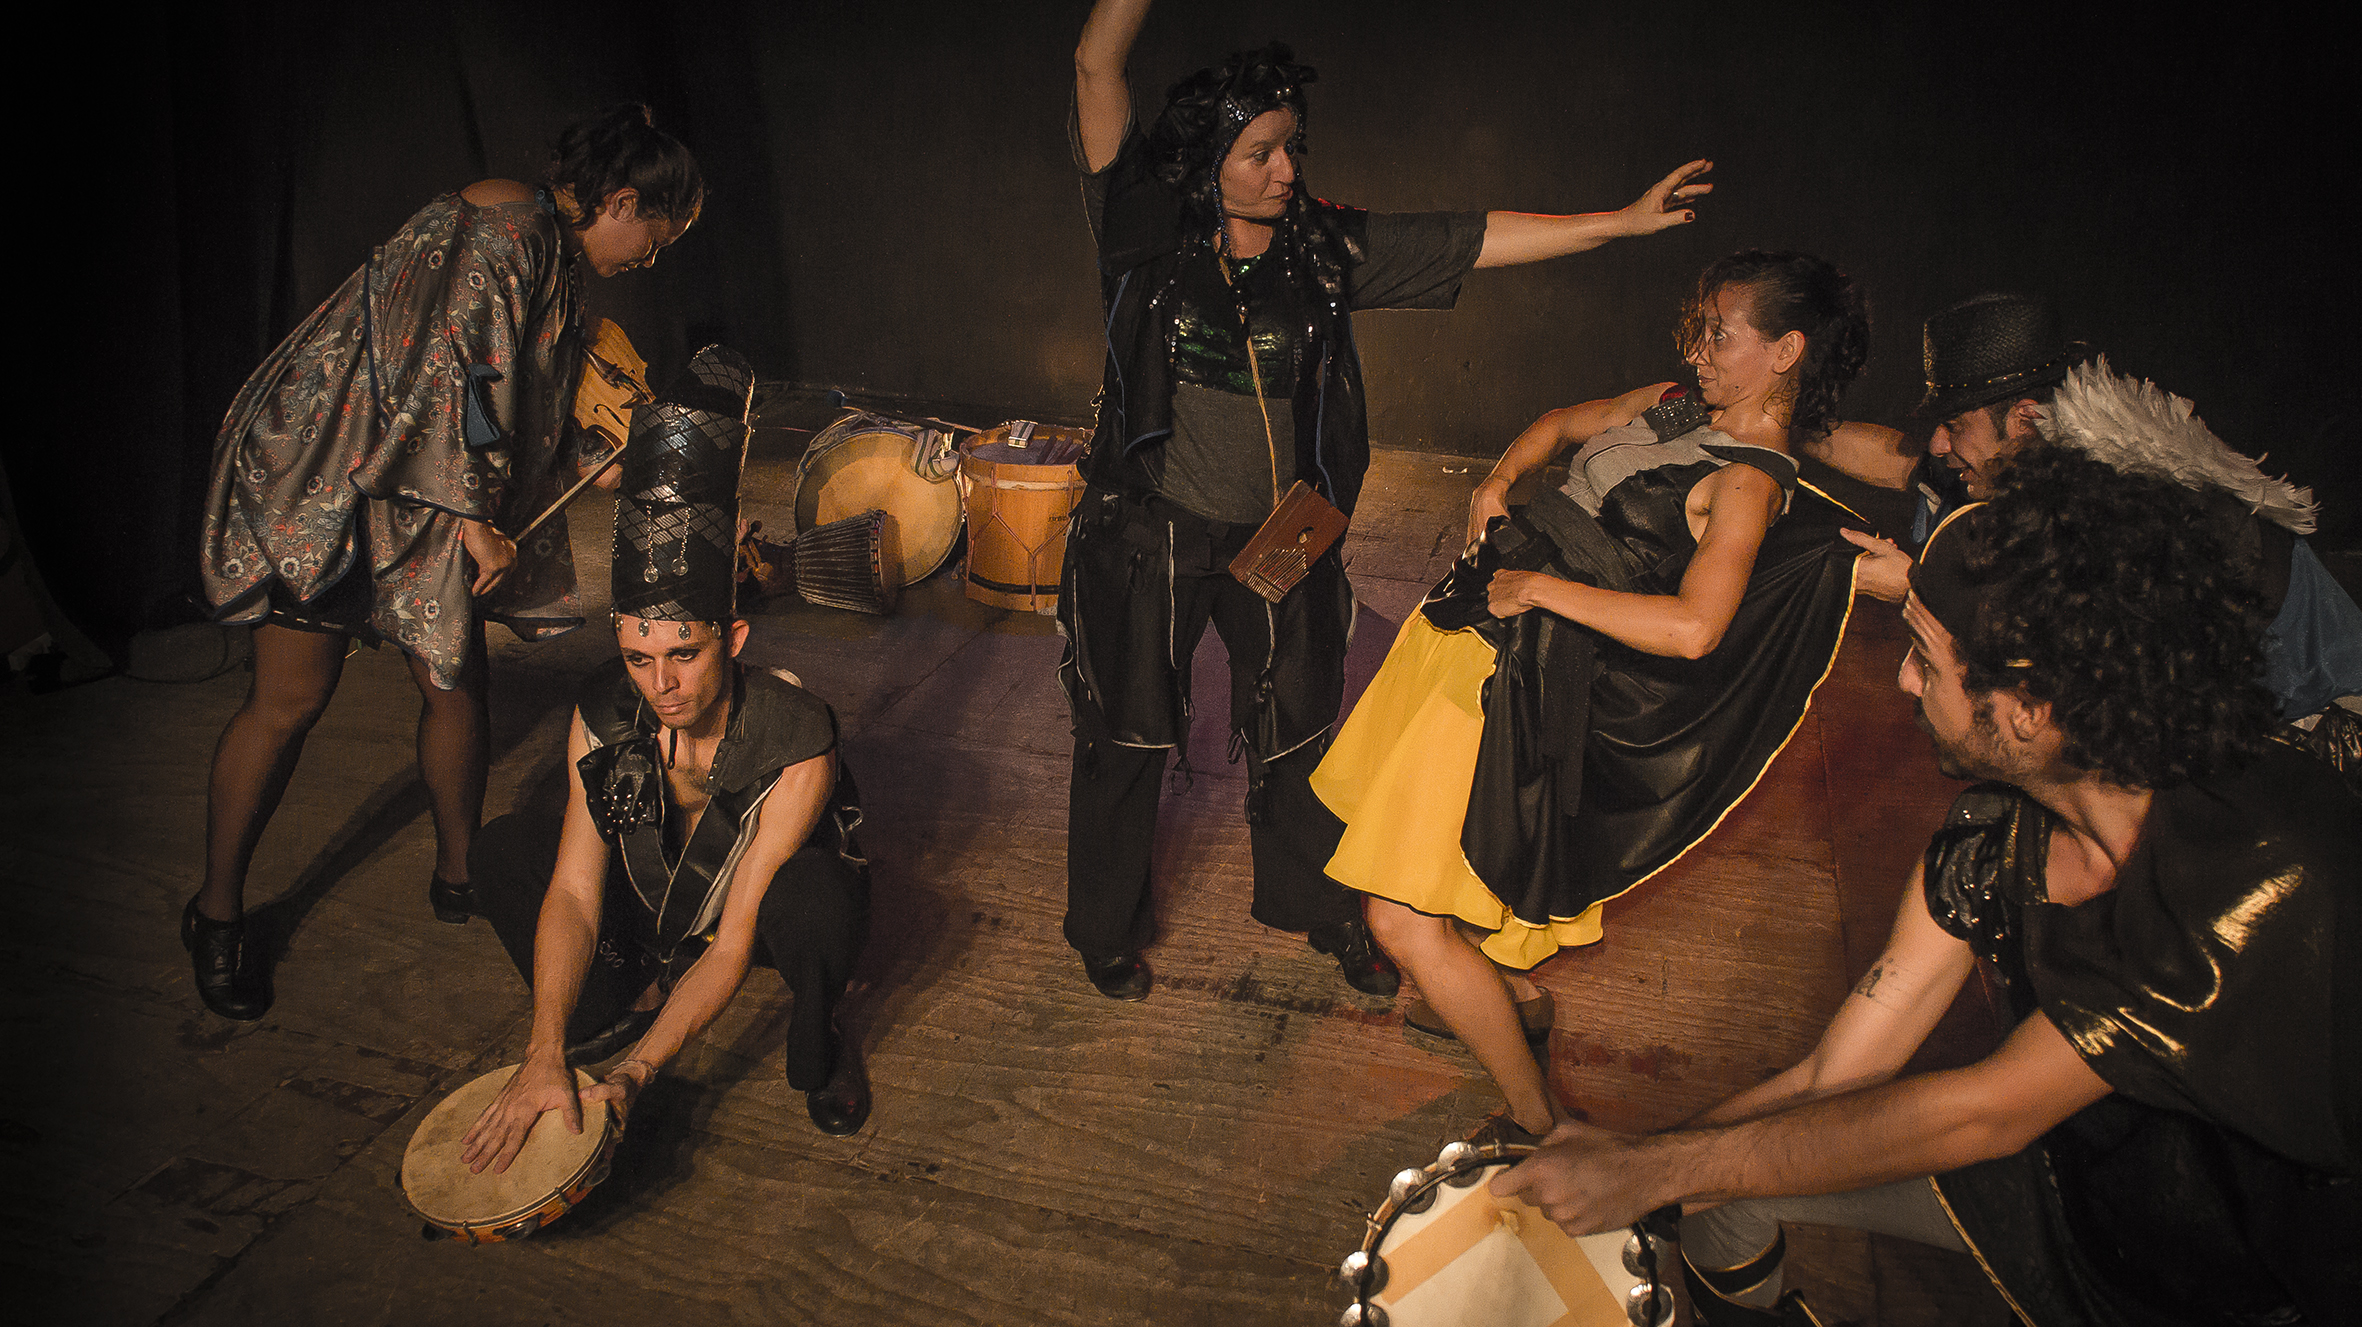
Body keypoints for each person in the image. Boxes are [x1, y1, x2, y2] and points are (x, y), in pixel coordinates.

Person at [1494, 450, 2359, 1326]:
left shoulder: (2261, 866)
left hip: (2240, 1280)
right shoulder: (1992, 837)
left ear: (2027, 707)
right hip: (2067, 1184)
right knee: (1721, 1201)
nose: (1904, 678)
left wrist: (1651, 1170)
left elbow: (1988, 1113)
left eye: (1925, 659)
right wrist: (1644, 1160)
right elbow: (1837, 1072)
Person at [1061, 0, 1716, 1002]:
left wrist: (1617, 222)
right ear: (1207, 162)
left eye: (1293, 148)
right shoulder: (1141, 226)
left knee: (1298, 729)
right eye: (1262, 153)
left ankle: (1323, 907)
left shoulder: (1319, 249)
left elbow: (1471, 239)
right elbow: (1095, 63)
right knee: (1128, 731)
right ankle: (1106, 928)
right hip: (1155, 529)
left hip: (1281, 531)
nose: (1287, 169)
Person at [1313, 251, 1871, 1139]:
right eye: (1700, 329)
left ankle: (1545, 1125)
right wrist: (1496, 482)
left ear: (1786, 350)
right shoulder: (1676, 402)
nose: (1697, 351)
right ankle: (1512, 999)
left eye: (1719, 335)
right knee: (1435, 860)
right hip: (1468, 633)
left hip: (1518, 681)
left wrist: (1540, 589)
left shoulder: (1749, 482)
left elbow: (1694, 628)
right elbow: (1558, 424)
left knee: (1403, 916)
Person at [186, 104, 702, 1020]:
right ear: (622, 201)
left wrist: (589, 455)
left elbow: (517, 396)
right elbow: (445, 371)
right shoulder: (505, 230)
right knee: (291, 698)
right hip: (330, 474)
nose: (648, 261)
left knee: (456, 678)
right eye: (652, 241)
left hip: (413, 487)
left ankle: (462, 871)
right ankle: (217, 913)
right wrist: (471, 518)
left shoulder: (551, 254)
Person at [461, 348, 875, 1171]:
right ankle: (622, 1000)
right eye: (639, 658)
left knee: (821, 901)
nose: (663, 685)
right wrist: (543, 1048)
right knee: (503, 849)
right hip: (656, 910)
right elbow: (575, 889)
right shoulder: (605, 710)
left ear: (734, 637)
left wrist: (637, 1074)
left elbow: (731, 943)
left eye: (685, 653)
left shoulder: (798, 737)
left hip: (751, 920)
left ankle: (819, 1030)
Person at [1841, 296, 2361, 789]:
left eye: (1953, 425)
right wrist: (1796, 431)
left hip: (2321, 737)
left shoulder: (2139, 508)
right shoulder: (2028, 457)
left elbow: (2089, 660)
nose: (1939, 443)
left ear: (2025, 419)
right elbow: (1902, 462)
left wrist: (1918, 588)